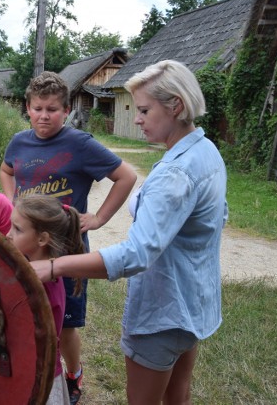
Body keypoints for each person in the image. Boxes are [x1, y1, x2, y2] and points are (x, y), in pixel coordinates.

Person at [30, 60, 228, 404]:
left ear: (176, 106)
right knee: (177, 397)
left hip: (163, 310)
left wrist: (54, 267)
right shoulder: (205, 151)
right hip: (193, 303)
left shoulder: (176, 173)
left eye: (144, 110)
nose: (137, 119)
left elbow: (137, 254)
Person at [0, 71, 137, 404]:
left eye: (52, 109)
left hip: (67, 250)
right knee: (24, 313)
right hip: (27, 248)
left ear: (66, 110)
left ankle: (72, 375)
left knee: (65, 322)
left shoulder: (80, 144)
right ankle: (31, 370)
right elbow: (6, 170)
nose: (44, 116)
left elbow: (126, 176)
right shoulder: (19, 142)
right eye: (37, 108)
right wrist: (12, 201)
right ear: (27, 108)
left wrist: (100, 218)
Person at [7, 194, 85, 405]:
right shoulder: (43, 271)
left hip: (38, 377)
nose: (7, 234)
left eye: (17, 229)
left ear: (42, 239)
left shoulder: (40, 287)